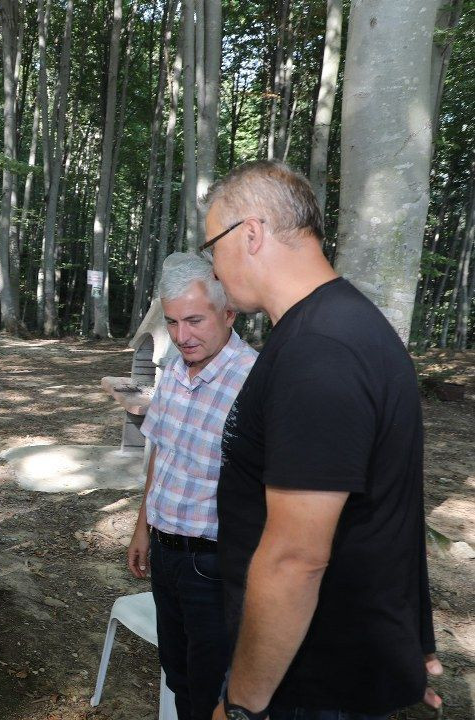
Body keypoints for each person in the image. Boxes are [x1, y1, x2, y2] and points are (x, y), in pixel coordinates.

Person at [202, 161, 438, 720]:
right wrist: (415, 638)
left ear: (250, 234)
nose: (213, 266)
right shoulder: (344, 325)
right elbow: (392, 507)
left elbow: (295, 559)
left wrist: (243, 706)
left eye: (212, 244)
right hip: (335, 663)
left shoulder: (320, 353)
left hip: (311, 684)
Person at [126, 253, 257, 720]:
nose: (184, 335)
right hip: (165, 554)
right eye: (174, 322)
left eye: (195, 320)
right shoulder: (176, 371)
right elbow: (161, 453)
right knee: (178, 676)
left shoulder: (256, 382)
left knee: (213, 692)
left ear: (228, 314)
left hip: (215, 566)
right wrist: (143, 526)